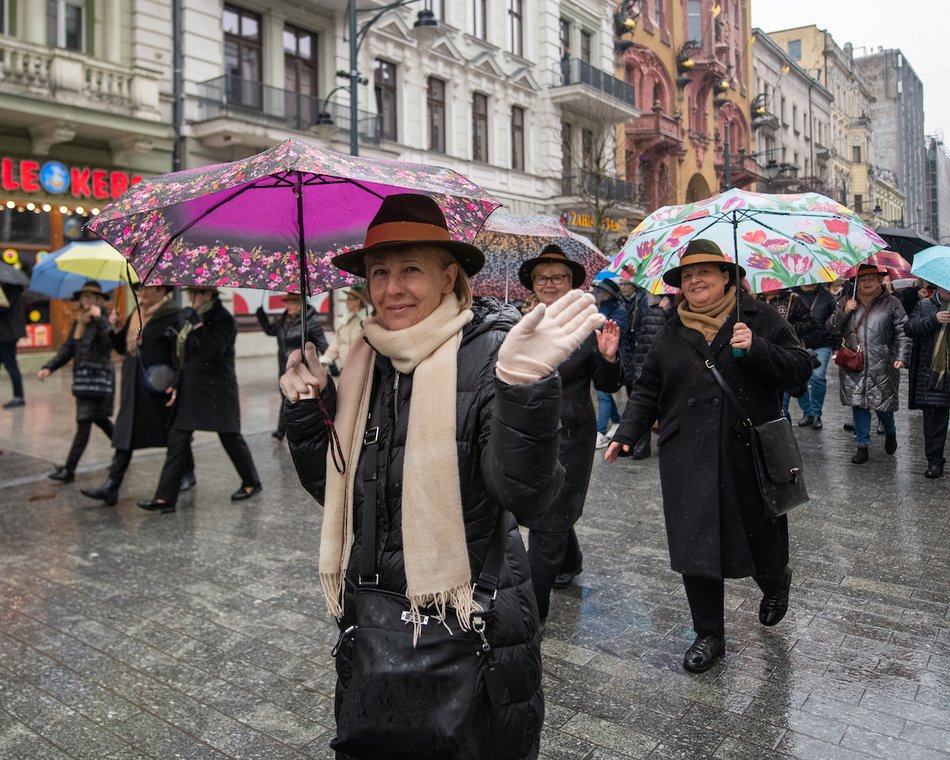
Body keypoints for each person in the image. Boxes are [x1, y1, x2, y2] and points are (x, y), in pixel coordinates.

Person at [280, 194, 602, 759]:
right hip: (374, 623)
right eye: (379, 272)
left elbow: (526, 498)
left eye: (410, 270)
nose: (391, 288)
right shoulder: (362, 359)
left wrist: (525, 388)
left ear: (450, 274)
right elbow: (333, 491)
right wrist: (312, 407)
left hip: (470, 622)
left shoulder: (489, 354)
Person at [604, 239, 813, 673]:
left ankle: (775, 581)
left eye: (705, 272)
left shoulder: (759, 318)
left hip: (748, 451)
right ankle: (708, 635)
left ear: (726, 277)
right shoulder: (671, 328)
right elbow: (648, 387)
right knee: (695, 545)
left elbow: (799, 372)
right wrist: (626, 432)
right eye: (687, 276)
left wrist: (756, 347)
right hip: (687, 453)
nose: (695, 281)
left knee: (760, 535)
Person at [517, 244, 623, 610]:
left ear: (570, 283)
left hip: (570, 433)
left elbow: (609, 384)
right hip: (525, 431)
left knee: (550, 517)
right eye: (542, 277)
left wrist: (609, 357)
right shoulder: (520, 322)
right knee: (550, 508)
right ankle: (570, 561)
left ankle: (533, 612)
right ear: (532, 283)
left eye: (558, 277)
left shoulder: (588, 324)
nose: (549, 283)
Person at [137, 286, 261, 513]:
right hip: (190, 389)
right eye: (190, 294)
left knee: (230, 436)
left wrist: (199, 326)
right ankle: (165, 498)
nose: (192, 298)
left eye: (197, 294)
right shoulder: (189, 316)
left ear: (209, 295)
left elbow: (212, 351)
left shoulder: (224, 319)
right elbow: (183, 354)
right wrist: (175, 382)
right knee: (177, 438)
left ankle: (252, 481)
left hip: (217, 390)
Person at [81, 284, 193, 506]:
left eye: (147, 288)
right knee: (126, 432)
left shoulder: (173, 315)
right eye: (140, 287)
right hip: (132, 384)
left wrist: (175, 383)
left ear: (162, 291)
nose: (142, 291)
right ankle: (112, 485)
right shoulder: (136, 313)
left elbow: (180, 353)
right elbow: (122, 348)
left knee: (172, 433)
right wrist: (114, 328)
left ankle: (188, 472)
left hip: (157, 385)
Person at [827, 263, 911, 464]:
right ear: (856, 281)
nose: (867, 283)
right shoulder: (845, 301)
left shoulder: (892, 303)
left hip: (882, 363)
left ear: (880, 280)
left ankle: (890, 432)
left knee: (883, 406)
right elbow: (831, 328)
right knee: (859, 404)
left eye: (871, 278)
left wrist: (901, 356)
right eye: (862, 279)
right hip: (853, 362)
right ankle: (862, 445)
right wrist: (844, 311)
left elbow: (903, 331)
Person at [38, 281, 116, 482]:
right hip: (83, 381)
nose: (86, 299)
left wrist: (100, 320)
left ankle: (69, 470)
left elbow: (110, 344)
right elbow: (68, 349)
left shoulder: (105, 318)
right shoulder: (79, 322)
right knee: (99, 421)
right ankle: (123, 452)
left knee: (85, 423)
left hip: (99, 380)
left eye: (90, 296)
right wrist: (49, 367)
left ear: (98, 299)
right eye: (84, 296)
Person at [256, 292, 328, 441]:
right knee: (285, 397)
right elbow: (271, 331)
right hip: (284, 366)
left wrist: (326, 364)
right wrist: (261, 315)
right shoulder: (284, 320)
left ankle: (296, 431)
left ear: (300, 304)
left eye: (292, 303)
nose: (288, 306)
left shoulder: (310, 320)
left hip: (303, 369)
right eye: (287, 303)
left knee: (300, 400)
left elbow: (322, 344)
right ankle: (284, 430)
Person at [904, 283, 950, 478]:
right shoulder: (925, 305)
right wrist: (934, 320)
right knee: (934, 421)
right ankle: (934, 461)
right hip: (933, 373)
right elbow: (910, 328)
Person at [627, 287, 674, 458]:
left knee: (665, 403)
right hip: (642, 357)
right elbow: (636, 329)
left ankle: (664, 442)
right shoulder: (642, 301)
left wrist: (668, 309)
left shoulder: (673, 301)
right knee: (642, 400)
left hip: (665, 358)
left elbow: (676, 328)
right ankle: (642, 445)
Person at [792, 283, 837, 430]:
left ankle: (816, 413)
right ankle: (807, 412)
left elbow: (834, 323)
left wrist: (836, 346)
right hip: (799, 344)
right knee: (801, 378)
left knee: (817, 376)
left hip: (822, 343)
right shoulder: (792, 295)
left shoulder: (827, 296)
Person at [591, 278, 629, 447]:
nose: (595, 294)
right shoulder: (597, 310)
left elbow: (617, 333)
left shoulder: (618, 311)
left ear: (607, 295)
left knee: (603, 394)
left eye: (599, 292)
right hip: (597, 357)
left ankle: (600, 431)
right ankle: (616, 420)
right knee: (604, 392)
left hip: (611, 358)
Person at [319, 285, 369, 374]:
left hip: (362, 371)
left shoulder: (367, 321)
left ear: (358, 301)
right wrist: (325, 359)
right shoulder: (344, 321)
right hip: (345, 369)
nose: (346, 302)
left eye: (350, 299)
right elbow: (337, 344)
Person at [0, 282, 26, 408]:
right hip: (5, 333)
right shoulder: (10, 288)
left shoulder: (11, 289)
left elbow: (3, 307)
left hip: (7, 335)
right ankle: (18, 396)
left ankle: (18, 397)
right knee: (11, 365)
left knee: (11, 366)